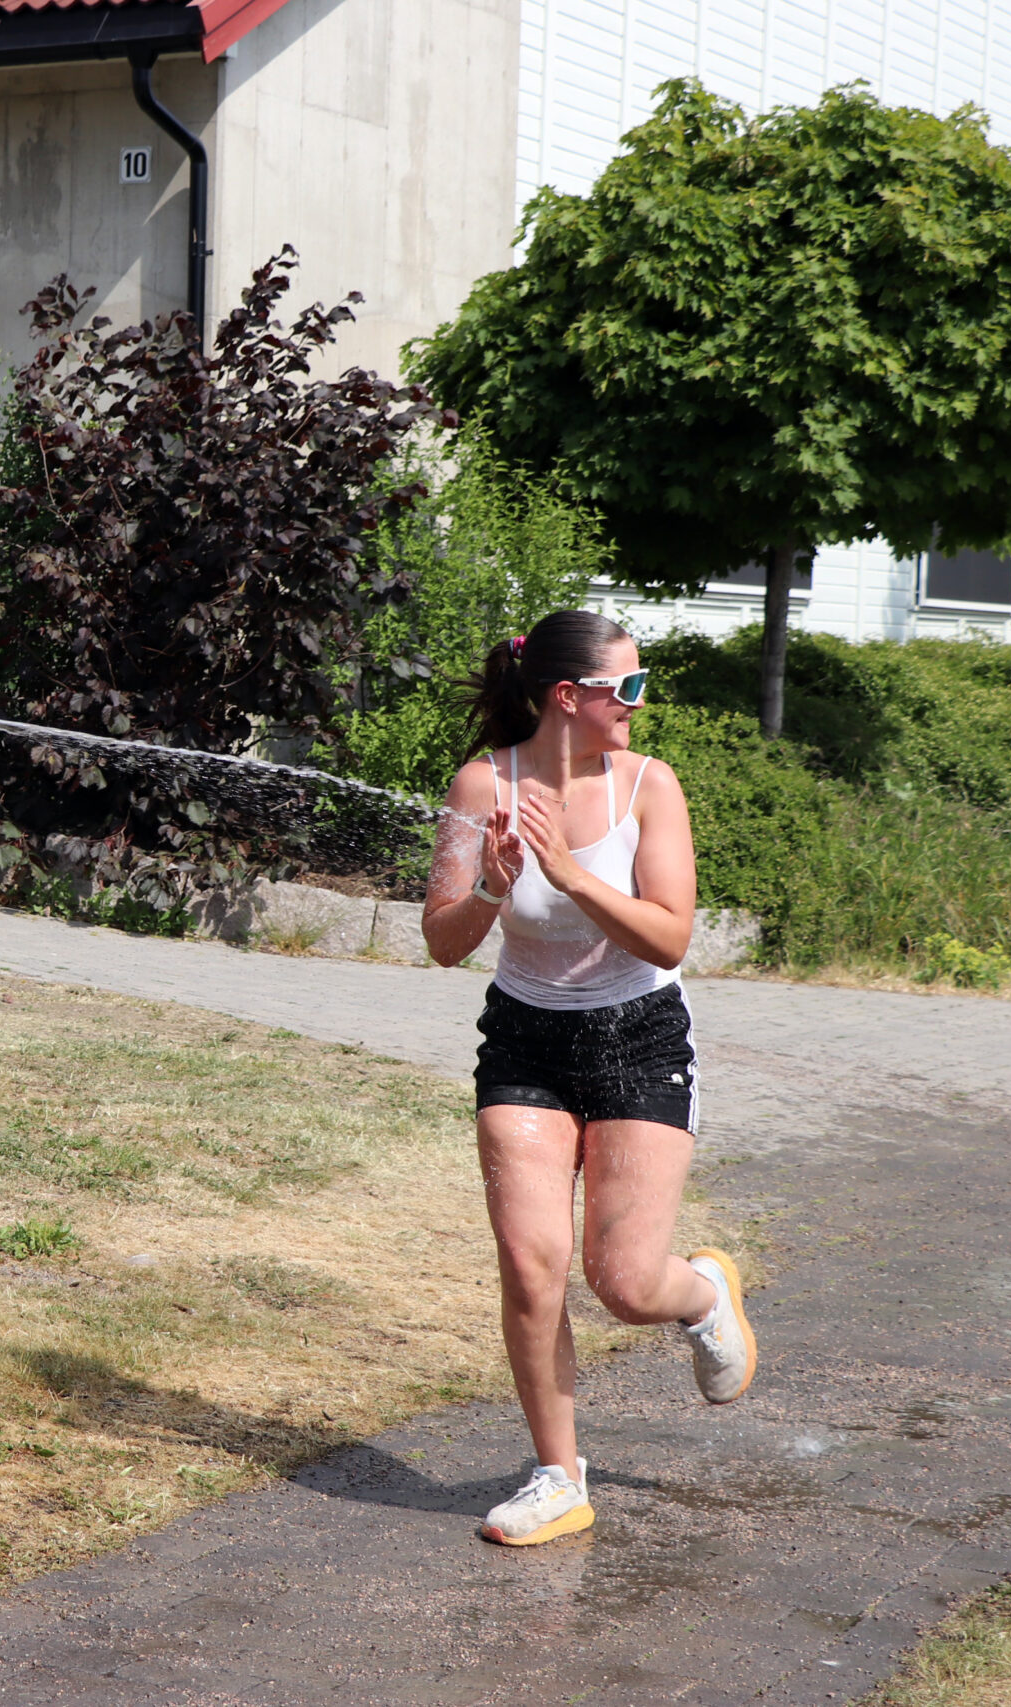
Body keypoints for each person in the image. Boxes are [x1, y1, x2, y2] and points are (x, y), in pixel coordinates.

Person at [421, 609, 756, 1548]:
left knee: (623, 1282)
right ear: (569, 696)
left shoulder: (651, 785)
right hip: (525, 1041)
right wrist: (492, 886)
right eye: (628, 687)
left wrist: (569, 874)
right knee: (533, 1265)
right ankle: (557, 1476)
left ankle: (701, 1294)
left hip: (640, 1038)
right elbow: (442, 941)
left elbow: (670, 935)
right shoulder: (485, 783)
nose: (640, 703)